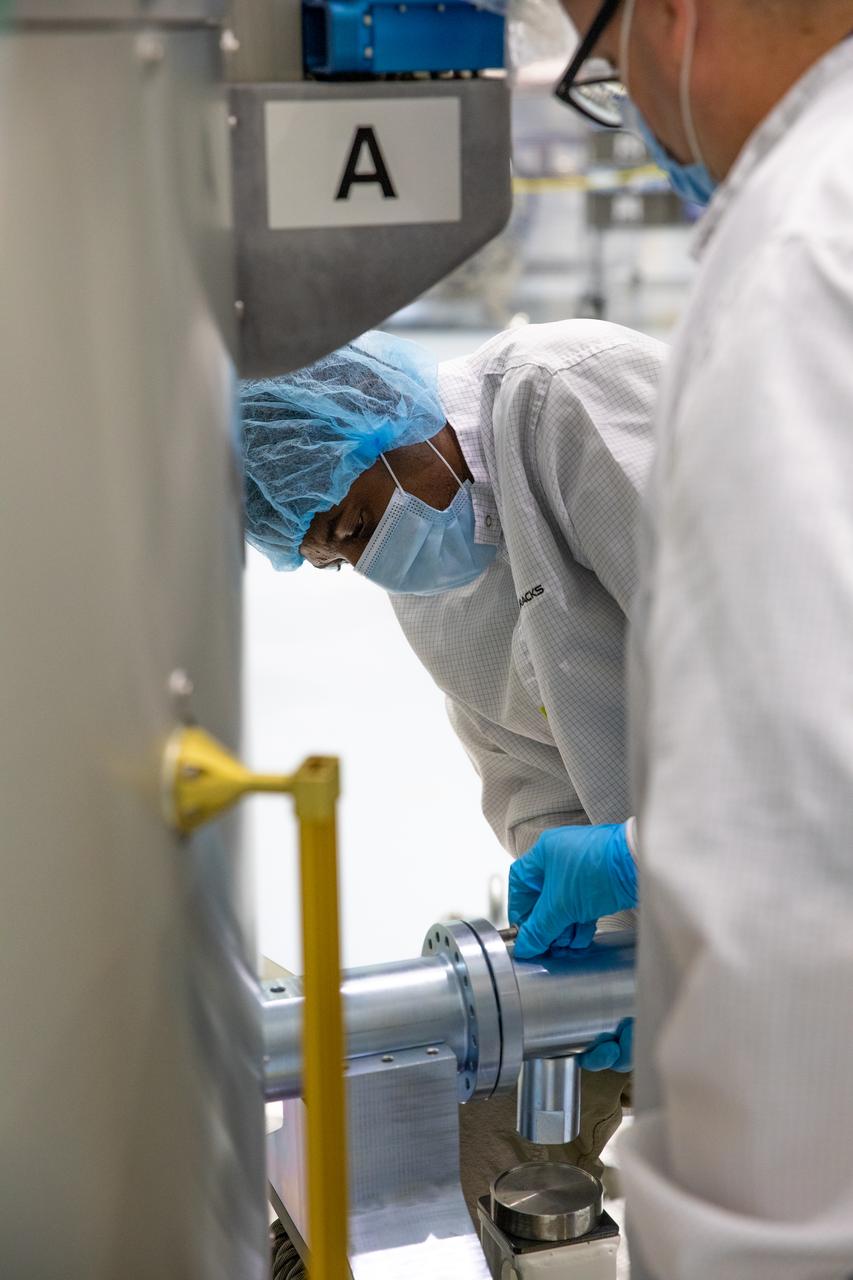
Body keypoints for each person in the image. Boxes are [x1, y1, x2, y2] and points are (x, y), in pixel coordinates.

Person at [510, 1, 853, 1276]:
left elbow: (798, 827)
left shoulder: (796, 253)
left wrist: (651, 865)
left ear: (671, 18)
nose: (641, 114)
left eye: (606, 71)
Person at [241, 320, 665, 1215]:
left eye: (356, 523)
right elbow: (529, 774)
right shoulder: (429, 591)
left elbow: (787, 697)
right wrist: (584, 939)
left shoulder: (566, 401)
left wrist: (646, 857)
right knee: (431, 1151)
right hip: (674, 900)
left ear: (380, 414)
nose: (368, 560)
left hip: (794, 868)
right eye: (334, 557)